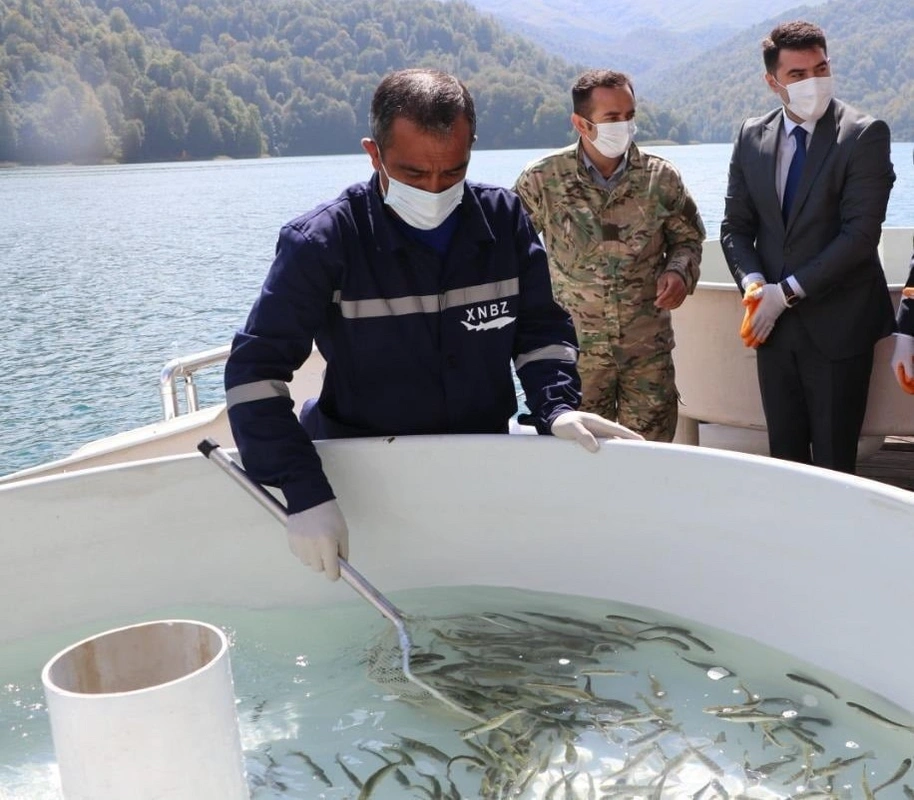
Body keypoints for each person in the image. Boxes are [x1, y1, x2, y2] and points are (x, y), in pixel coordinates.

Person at [224, 69, 641, 581]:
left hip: (479, 458)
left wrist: (556, 407)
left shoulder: (504, 219)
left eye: (453, 172)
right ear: (374, 154)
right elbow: (253, 375)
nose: (436, 189)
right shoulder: (322, 244)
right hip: (362, 473)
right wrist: (304, 491)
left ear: (471, 148)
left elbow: (540, 332)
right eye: (415, 175)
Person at [721, 20, 896, 472]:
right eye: (797, 75)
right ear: (772, 82)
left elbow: (859, 237)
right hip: (772, 331)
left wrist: (788, 292)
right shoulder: (750, 136)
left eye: (820, 68)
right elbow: (735, 227)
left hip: (840, 326)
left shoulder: (863, 134)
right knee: (785, 461)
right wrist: (757, 285)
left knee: (837, 464)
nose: (813, 82)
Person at [513, 69, 705, 442]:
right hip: (576, 358)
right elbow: (512, 252)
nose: (624, 126)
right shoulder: (543, 180)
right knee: (580, 464)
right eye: (612, 118)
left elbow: (688, 240)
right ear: (581, 124)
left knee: (651, 460)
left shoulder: (660, 178)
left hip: (647, 355)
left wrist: (680, 272)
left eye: (630, 116)